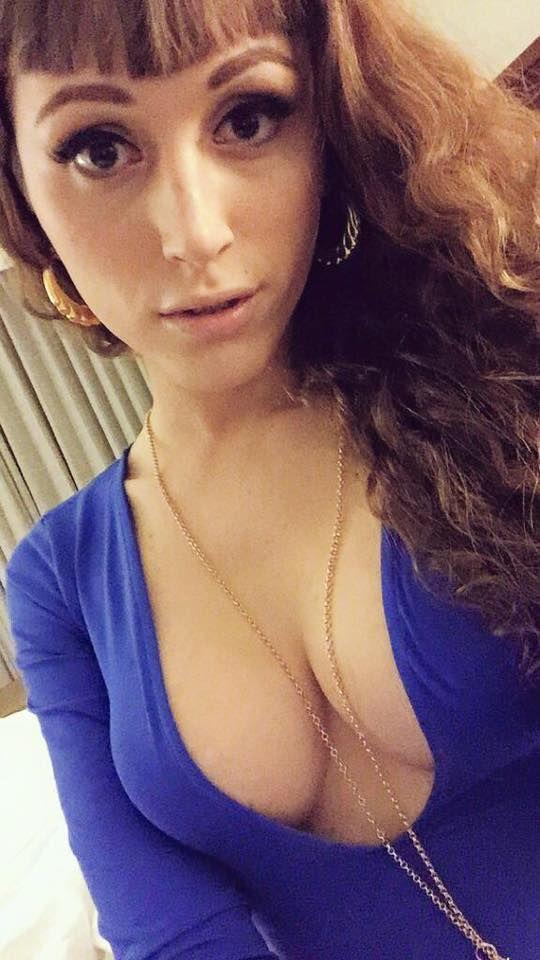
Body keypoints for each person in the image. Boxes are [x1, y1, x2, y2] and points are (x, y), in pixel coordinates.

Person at [1, 0, 539, 958]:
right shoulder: (60, 582)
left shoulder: (502, 374)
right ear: (20, 193)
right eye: (98, 148)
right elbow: (172, 935)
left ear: (329, 124)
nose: (193, 231)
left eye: (247, 118)